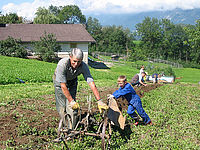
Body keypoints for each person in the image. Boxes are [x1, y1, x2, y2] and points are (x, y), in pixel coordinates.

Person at [53, 48, 108, 129]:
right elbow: (63, 86)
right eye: (74, 61)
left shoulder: (83, 66)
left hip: (72, 82)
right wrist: (71, 101)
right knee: (61, 107)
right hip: (60, 83)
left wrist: (99, 101)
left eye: (79, 62)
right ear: (70, 57)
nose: (76, 64)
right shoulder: (62, 64)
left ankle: (71, 128)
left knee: (72, 108)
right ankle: (64, 125)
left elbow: (91, 83)